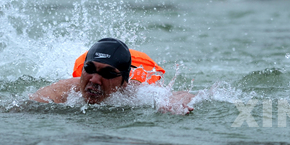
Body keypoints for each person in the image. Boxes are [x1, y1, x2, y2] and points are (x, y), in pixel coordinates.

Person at [30, 38, 195, 114]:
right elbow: (32, 103)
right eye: (90, 69)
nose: (94, 80)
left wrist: (173, 103)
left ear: (124, 81)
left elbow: (183, 94)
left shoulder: (134, 90)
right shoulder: (68, 88)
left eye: (108, 74)